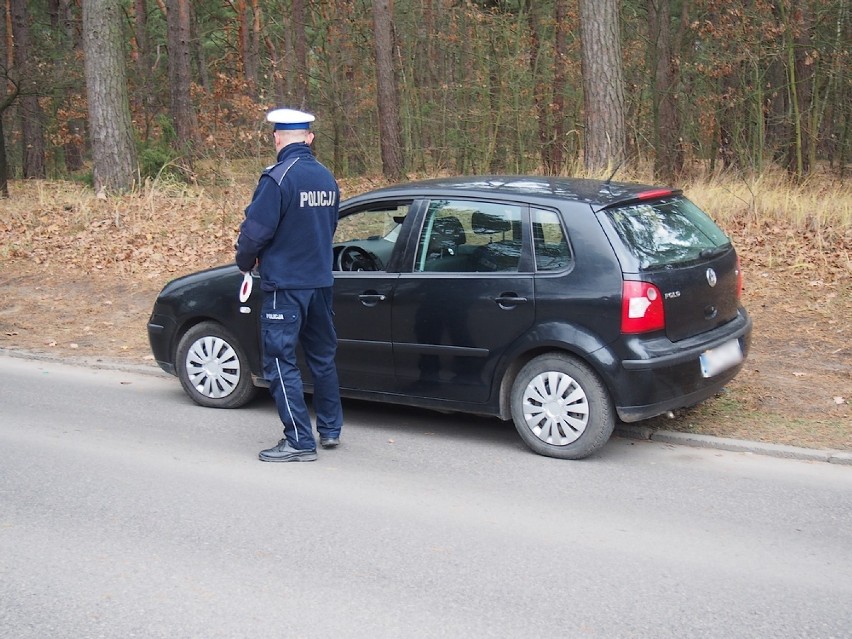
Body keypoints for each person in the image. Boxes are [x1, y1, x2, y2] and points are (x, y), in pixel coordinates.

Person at [235, 108, 343, 462]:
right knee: (322, 358)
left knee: (280, 361)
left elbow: (255, 232)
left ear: (277, 139)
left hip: (286, 286)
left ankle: (298, 441)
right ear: (309, 139)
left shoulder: (278, 179)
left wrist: (244, 262)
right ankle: (329, 429)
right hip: (320, 283)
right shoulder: (328, 178)